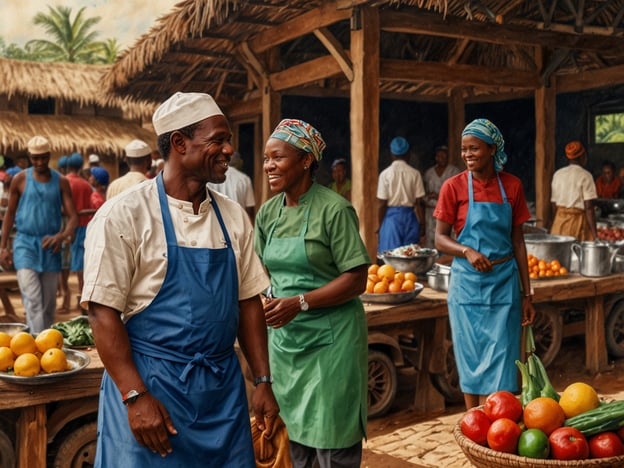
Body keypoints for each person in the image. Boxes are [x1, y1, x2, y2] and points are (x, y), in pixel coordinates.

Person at [81, 91, 279, 466]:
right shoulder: (124, 216)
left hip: (221, 394)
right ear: (179, 143)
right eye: (217, 140)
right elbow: (101, 312)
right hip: (152, 392)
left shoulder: (233, 217)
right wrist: (135, 396)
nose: (228, 150)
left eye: (228, 140)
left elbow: (249, 301)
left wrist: (264, 381)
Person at [254, 119, 370, 468]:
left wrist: (300, 302)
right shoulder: (268, 213)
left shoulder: (334, 209)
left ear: (306, 160)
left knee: (333, 445)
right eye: (266, 158)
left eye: (278, 157)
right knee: (298, 448)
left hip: (332, 346)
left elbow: (357, 279)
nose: (269, 165)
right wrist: (268, 297)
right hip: (287, 346)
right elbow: (262, 271)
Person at [434, 118, 535, 410]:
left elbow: (518, 242)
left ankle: (500, 423)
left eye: (474, 148)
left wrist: (527, 294)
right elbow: (440, 239)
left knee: (504, 359)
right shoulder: (452, 187)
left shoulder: (512, 186)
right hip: (466, 287)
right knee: (470, 358)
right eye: (464, 150)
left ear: (492, 149)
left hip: (504, 284)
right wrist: (466, 251)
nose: (467, 155)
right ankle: (475, 423)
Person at [0, 136, 78, 332]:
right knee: (33, 300)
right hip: (25, 244)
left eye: (43, 158)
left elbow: (74, 217)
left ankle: (46, 344)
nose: (40, 162)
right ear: (30, 157)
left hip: (51, 246)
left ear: (49, 156)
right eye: (35, 158)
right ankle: (36, 345)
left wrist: (61, 236)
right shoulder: (20, 179)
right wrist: (2, 248)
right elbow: (9, 214)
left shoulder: (61, 181)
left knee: (49, 305)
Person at [377, 136, 426, 252]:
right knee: (409, 256)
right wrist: (422, 224)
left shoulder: (385, 174)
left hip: (391, 219)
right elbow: (419, 203)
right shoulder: (415, 174)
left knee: (390, 258)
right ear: (408, 153)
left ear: (391, 154)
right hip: (410, 219)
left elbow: (382, 203)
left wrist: (380, 225)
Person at [550, 141, 598, 241]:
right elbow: (589, 207)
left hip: (558, 222)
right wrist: (595, 235)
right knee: (575, 252)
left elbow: (554, 204)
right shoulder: (586, 176)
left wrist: (555, 221)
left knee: (558, 254)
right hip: (577, 223)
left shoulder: (558, 174)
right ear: (582, 156)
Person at [66, 152, 93, 309]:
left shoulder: (65, 182)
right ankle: (83, 295)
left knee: (76, 264)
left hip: (71, 226)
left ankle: (80, 296)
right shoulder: (85, 184)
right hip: (86, 225)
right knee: (85, 262)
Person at [423, 145, 461, 248]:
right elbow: (423, 193)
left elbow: (458, 194)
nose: (442, 159)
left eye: (445, 156)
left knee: (447, 240)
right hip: (431, 212)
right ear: (436, 157)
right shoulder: (429, 173)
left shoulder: (454, 172)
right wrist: (429, 196)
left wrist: (439, 196)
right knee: (431, 242)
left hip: (447, 212)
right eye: (439, 156)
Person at [207, 151, 256, 221]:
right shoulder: (244, 179)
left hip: (216, 222)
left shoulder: (211, 178)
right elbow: (250, 209)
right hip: (238, 224)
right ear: (239, 162)